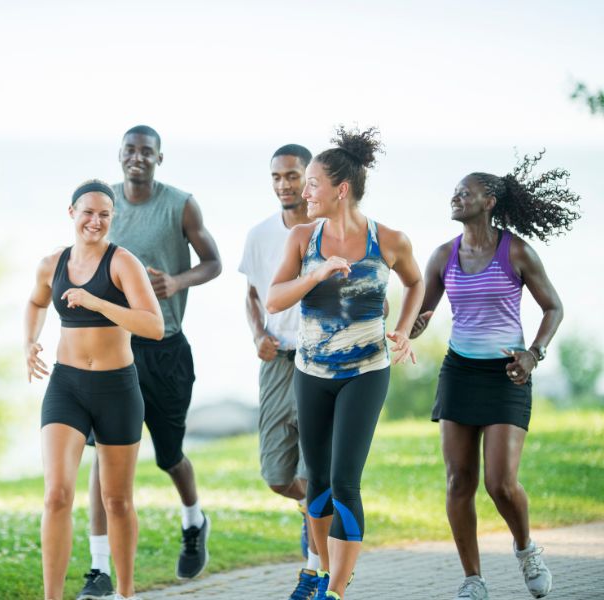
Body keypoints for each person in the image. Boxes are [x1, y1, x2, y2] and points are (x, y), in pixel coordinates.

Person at [410, 151, 580, 600]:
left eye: (465, 193)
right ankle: (473, 579)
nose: (456, 198)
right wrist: (408, 326)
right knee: (458, 481)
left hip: (508, 374)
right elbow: (421, 313)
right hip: (459, 372)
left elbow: (553, 307)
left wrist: (533, 354)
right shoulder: (443, 255)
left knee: (500, 484)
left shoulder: (516, 251)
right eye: (454, 192)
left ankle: (526, 549)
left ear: (489, 202)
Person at [267, 126, 424, 600]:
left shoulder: (389, 240)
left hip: (366, 372)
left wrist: (403, 328)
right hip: (311, 373)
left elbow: (415, 283)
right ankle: (321, 570)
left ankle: (334, 591)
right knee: (316, 482)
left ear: (341, 189)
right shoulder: (302, 238)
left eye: (312, 183)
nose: (304, 192)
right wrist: (315, 275)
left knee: (344, 481)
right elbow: (274, 300)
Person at [77, 125, 222, 599]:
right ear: (119, 154)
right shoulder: (104, 205)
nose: (137, 157)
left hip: (166, 350)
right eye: (130, 150)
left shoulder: (180, 205)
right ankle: (98, 569)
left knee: (169, 456)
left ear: (160, 158)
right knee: (104, 456)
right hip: (114, 349)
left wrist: (176, 282)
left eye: (147, 151)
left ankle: (194, 519)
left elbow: (213, 262)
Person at [24, 180, 164, 600]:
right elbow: (36, 302)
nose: (95, 221)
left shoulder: (123, 263)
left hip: (116, 389)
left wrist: (99, 302)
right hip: (66, 386)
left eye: (104, 214)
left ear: (112, 217)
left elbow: (153, 326)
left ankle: (125, 593)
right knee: (56, 495)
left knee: (117, 501)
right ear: (72, 213)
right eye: (88, 212)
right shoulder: (51, 264)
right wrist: (29, 342)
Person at [239, 143, 323, 597]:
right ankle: (316, 510)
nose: (283, 184)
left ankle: (315, 564)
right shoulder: (259, 235)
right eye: (276, 176)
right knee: (276, 476)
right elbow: (253, 295)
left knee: (312, 472)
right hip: (276, 360)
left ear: (309, 178)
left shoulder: (329, 231)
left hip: (319, 360)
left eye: (292, 175)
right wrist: (258, 335)